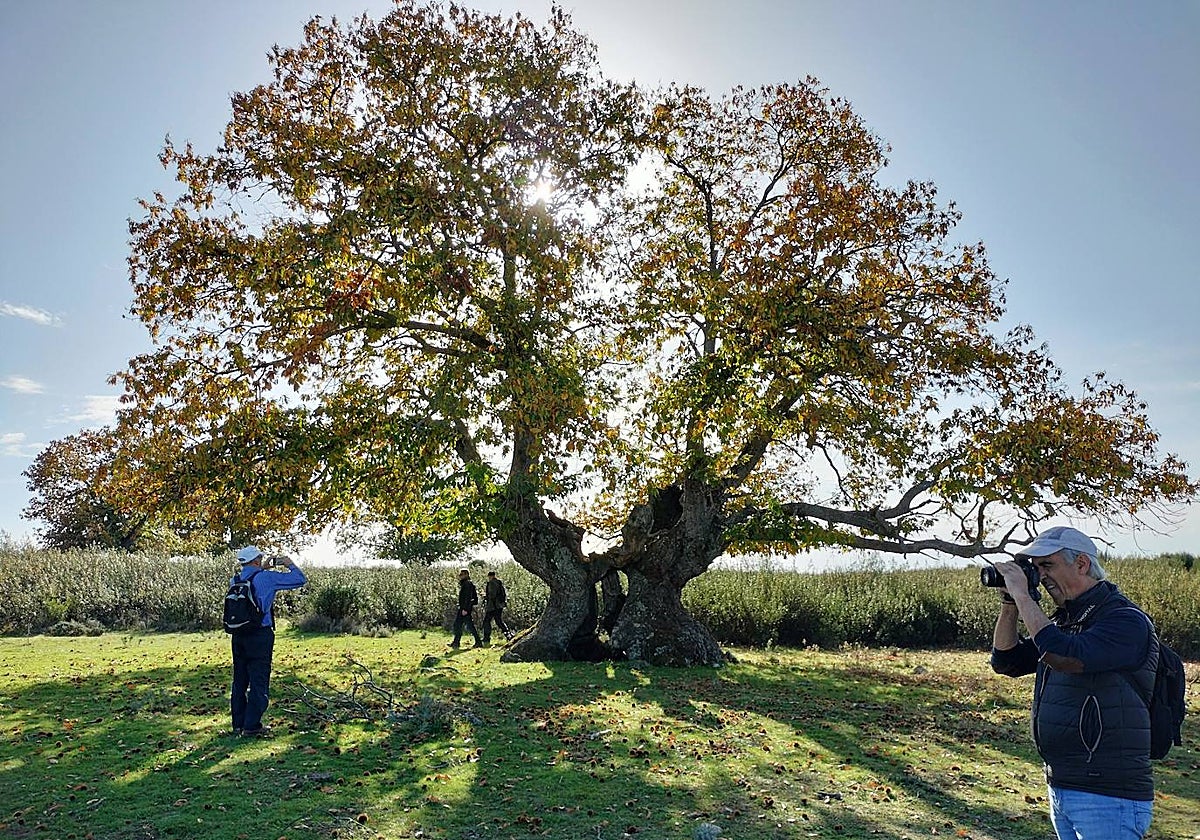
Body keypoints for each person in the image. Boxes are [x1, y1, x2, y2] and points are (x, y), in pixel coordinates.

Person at [989, 525, 1158, 840]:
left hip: (1108, 794)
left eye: (1047, 565)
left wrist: (1024, 595)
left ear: (1081, 564)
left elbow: (1062, 655)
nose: (1040, 576)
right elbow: (1006, 661)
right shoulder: (1064, 621)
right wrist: (1010, 603)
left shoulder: (1123, 620)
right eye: (1036, 569)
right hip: (1063, 786)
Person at [228, 545, 307, 737]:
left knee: (239, 680)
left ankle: (238, 724)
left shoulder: (235, 580)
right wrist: (289, 564)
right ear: (256, 560)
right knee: (259, 679)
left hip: (238, 635)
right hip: (259, 634)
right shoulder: (266, 578)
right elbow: (300, 580)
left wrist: (261, 568)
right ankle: (252, 725)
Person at [450, 567, 481, 649]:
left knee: (460, 625)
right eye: (460, 575)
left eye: (461, 575)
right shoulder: (466, 584)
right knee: (462, 625)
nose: (460, 576)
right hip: (464, 608)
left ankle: (457, 643)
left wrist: (465, 609)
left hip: (465, 608)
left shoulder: (467, 584)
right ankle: (456, 642)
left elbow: (468, 597)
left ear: (466, 575)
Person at [482, 570, 513, 644]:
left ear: (490, 576)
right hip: (499, 605)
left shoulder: (492, 583)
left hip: (493, 606)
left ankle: (486, 638)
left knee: (486, 621)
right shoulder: (499, 582)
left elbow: (492, 595)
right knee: (499, 621)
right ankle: (508, 634)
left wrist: (486, 597)